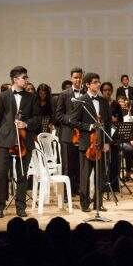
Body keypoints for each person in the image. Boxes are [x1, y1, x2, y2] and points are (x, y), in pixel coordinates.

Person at [0, 66, 40, 218]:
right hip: (5, 139)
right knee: (1, 173)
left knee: (22, 174)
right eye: (24, 77)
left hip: (24, 139)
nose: (27, 80)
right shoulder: (3, 96)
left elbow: (37, 119)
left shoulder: (32, 97)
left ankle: (20, 207)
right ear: (15, 79)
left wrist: (25, 124)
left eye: (26, 77)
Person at [71, 72, 112, 212]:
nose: (98, 84)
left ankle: (98, 203)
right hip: (86, 143)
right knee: (85, 175)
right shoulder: (81, 101)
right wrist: (89, 127)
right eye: (95, 82)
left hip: (100, 142)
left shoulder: (104, 101)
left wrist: (106, 142)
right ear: (87, 84)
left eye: (98, 82)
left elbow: (107, 123)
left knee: (100, 175)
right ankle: (84, 204)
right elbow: (74, 121)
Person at [56, 67, 84, 196]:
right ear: (71, 78)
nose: (78, 80)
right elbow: (59, 115)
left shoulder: (86, 93)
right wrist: (70, 119)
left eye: (79, 77)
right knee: (68, 164)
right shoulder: (64, 94)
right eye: (75, 77)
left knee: (80, 164)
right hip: (67, 134)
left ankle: (79, 189)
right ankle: (68, 192)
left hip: (82, 134)